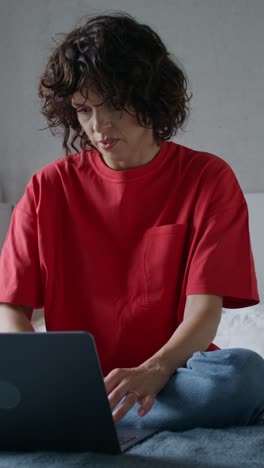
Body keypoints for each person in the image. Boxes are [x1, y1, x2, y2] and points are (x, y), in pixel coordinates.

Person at [0, 12, 264, 432]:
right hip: (77, 386)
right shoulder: (47, 188)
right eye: (84, 110)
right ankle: (95, 416)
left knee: (244, 374)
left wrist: (154, 371)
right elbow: (11, 312)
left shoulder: (208, 179)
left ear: (150, 97)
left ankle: (97, 424)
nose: (98, 126)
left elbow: (204, 314)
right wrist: (44, 385)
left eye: (115, 106)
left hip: (172, 376)